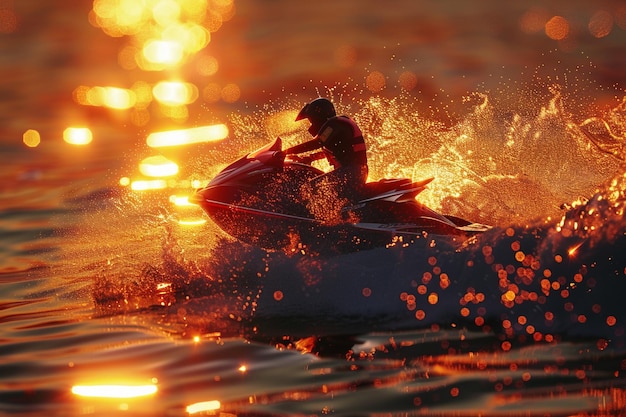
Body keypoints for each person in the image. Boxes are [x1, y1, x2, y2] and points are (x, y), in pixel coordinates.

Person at [285, 98, 369, 203]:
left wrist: (285, 152)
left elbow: (317, 143)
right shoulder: (337, 126)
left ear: (319, 116)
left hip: (352, 172)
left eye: (311, 120)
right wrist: (308, 158)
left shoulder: (335, 124)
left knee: (310, 186)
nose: (310, 125)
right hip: (355, 172)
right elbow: (332, 151)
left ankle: (321, 217)